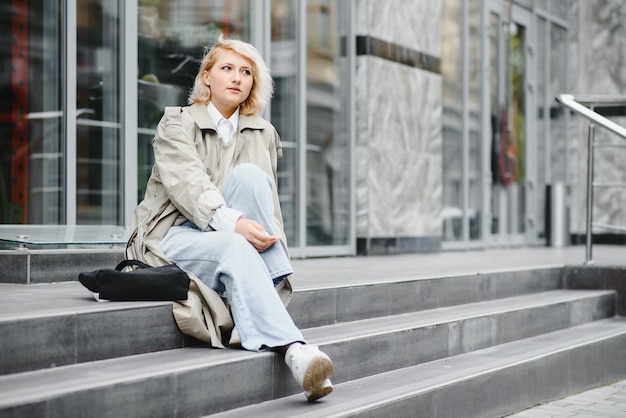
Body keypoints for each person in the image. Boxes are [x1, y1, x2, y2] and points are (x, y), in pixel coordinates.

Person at [126, 36, 334, 402]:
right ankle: (294, 349)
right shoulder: (177, 122)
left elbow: (265, 210)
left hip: (227, 238)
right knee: (233, 242)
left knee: (252, 178)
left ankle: (261, 297)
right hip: (171, 236)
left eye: (246, 72)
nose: (237, 78)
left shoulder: (262, 132)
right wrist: (232, 223)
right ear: (207, 77)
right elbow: (187, 183)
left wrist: (257, 236)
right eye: (226, 69)